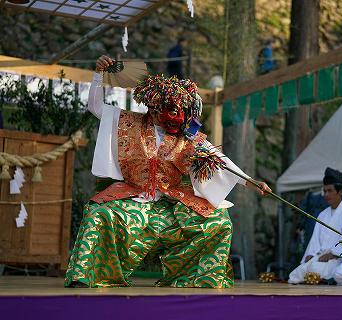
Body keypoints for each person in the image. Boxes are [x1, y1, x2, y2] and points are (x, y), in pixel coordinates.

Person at [65, 55, 271, 289]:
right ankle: (88, 276)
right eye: (169, 110)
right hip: (131, 197)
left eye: (180, 110)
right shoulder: (127, 121)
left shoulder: (188, 138)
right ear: (153, 108)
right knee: (98, 213)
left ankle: (193, 279)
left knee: (218, 221)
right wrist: (98, 75)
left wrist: (251, 182)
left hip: (170, 205)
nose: (175, 116)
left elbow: (219, 160)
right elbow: (95, 107)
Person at [288, 168, 342, 283]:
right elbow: (315, 240)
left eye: (330, 191)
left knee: (314, 271)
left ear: (340, 191)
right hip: (319, 257)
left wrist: (333, 254)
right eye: (324, 191)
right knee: (295, 275)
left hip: (339, 260)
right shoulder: (323, 214)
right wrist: (310, 254)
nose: (326, 195)